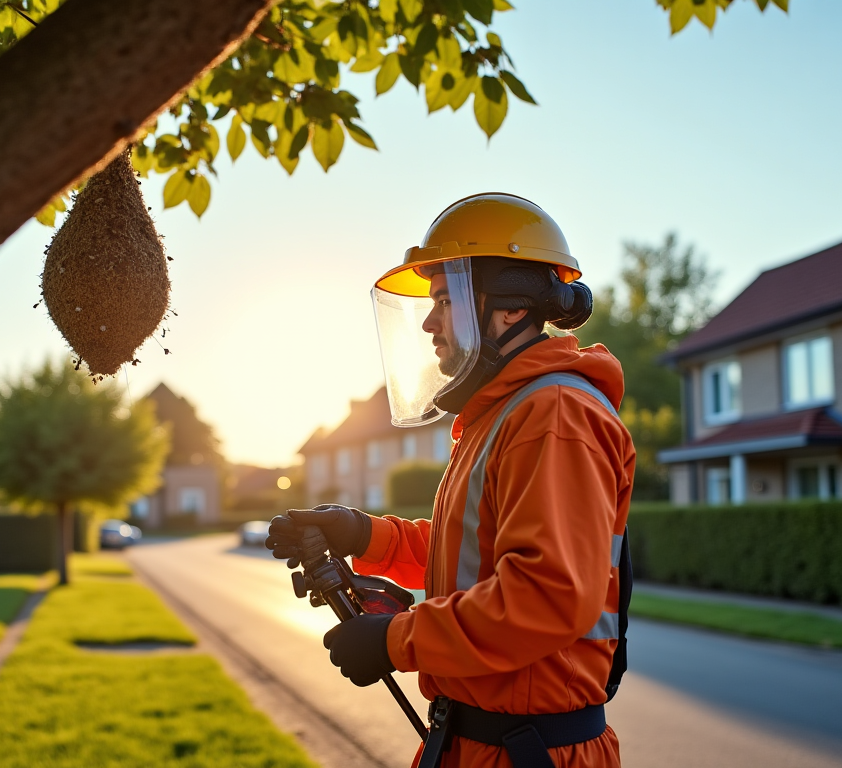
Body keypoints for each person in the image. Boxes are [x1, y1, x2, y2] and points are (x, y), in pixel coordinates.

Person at [266, 193, 635, 768]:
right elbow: (468, 556)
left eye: (444, 299)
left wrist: (395, 641)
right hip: (483, 742)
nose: (430, 323)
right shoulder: (508, 411)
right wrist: (363, 535)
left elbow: (545, 596)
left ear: (510, 308)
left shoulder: (555, 414)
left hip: (530, 751)